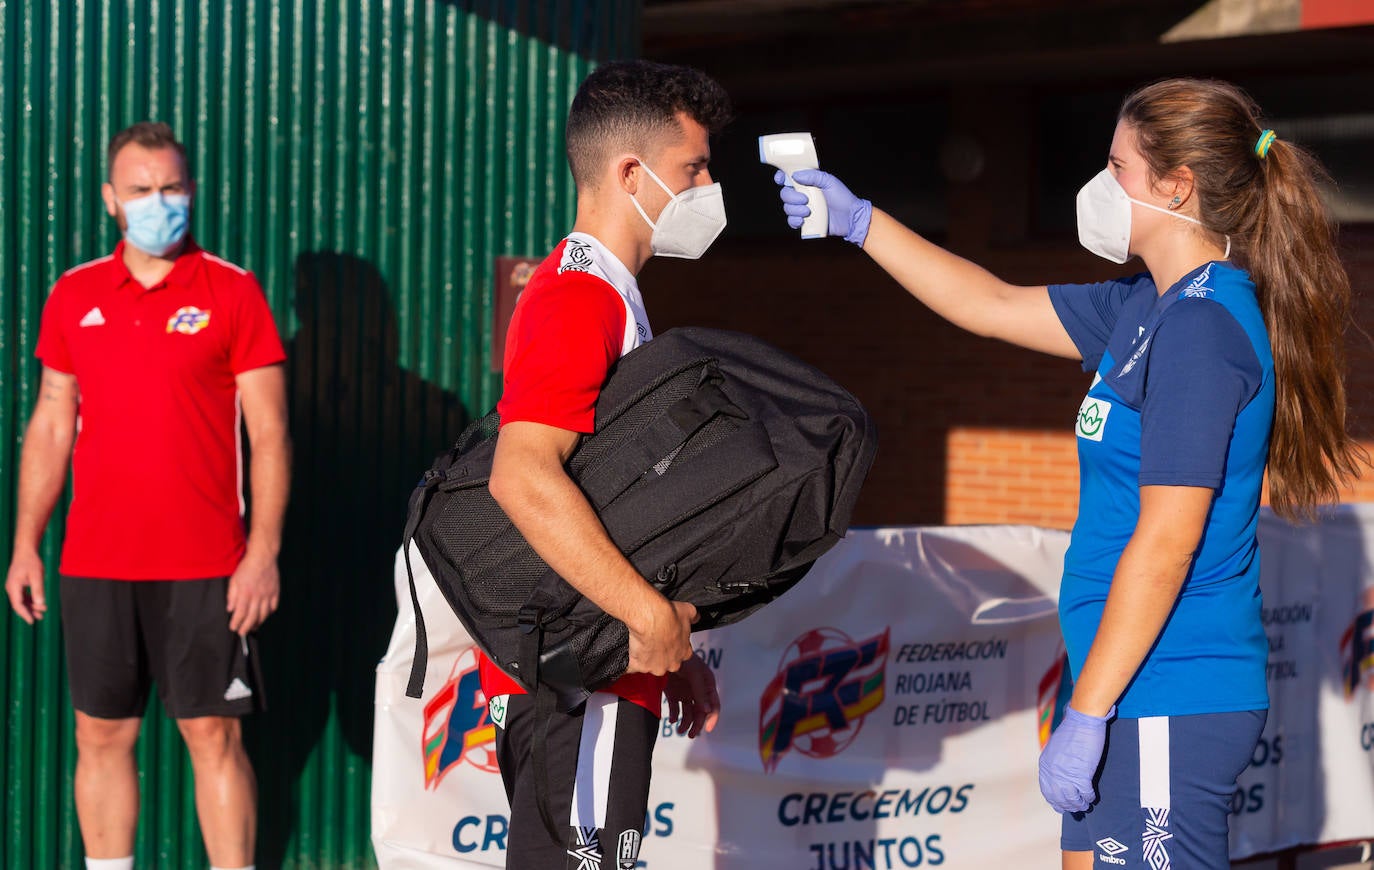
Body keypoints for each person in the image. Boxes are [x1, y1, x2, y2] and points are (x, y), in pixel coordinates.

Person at [775, 78, 1365, 868]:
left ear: (1177, 186)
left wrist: (1086, 716)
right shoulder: (1145, 307)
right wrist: (859, 222)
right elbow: (986, 302)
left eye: (1117, 166)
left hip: (1167, 693)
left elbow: (1167, 543)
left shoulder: (1200, 329)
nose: (1100, 186)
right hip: (1119, 683)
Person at [4, 121, 290, 870]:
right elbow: (50, 425)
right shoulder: (75, 295)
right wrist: (25, 544)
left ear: (189, 190)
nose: (157, 202)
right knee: (100, 735)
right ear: (111, 199)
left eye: (170, 188)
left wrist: (262, 554)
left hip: (206, 566)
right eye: (140, 190)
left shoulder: (232, 292)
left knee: (213, 736)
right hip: (95, 563)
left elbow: (270, 437)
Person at [479, 58, 732, 868]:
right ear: (632, 173)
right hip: (574, 671)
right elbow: (522, 474)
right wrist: (650, 618)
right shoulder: (577, 296)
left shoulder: (612, 293)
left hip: (600, 661)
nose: (706, 184)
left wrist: (672, 645)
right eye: (693, 167)